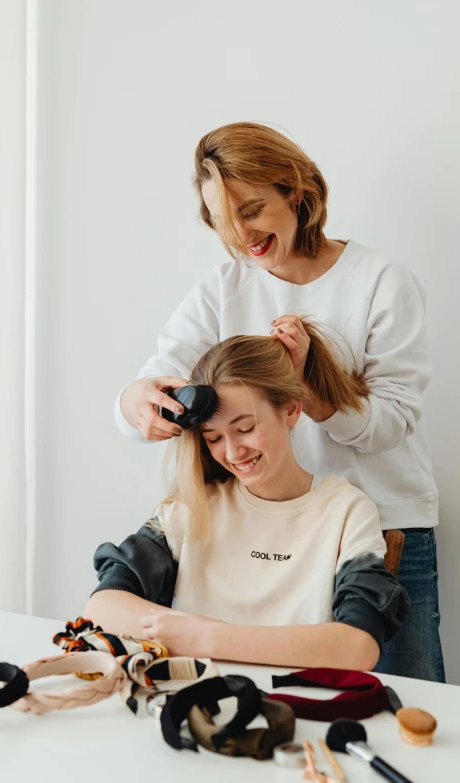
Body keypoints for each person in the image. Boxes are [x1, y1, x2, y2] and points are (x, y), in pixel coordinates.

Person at [115, 122, 443, 681]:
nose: (241, 236)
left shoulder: (380, 281)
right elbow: (155, 375)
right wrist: (137, 400)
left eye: (251, 211)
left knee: (403, 700)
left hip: (384, 527)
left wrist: (312, 392)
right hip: (273, 526)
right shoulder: (223, 288)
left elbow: (395, 420)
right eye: (223, 222)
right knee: (287, 695)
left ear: (297, 191)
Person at [87, 328, 409, 670]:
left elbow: (357, 647)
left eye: (245, 429)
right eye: (213, 438)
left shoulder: (345, 511)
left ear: (291, 410)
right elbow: (102, 608)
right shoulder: (193, 507)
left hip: (295, 709)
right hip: (193, 703)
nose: (232, 452)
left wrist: (206, 638)